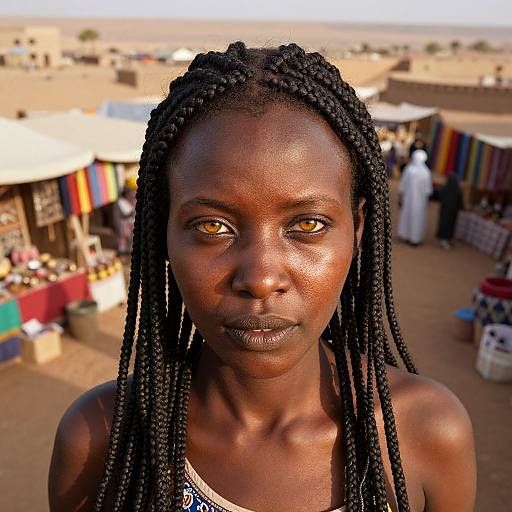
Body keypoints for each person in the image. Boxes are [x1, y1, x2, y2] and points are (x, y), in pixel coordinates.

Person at [48, 43, 475, 512]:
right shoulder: (103, 439)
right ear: (162, 232)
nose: (261, 278)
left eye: (307, 224)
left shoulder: (426, 433)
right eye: (213, 227)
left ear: (357, 229)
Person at [397, 150, 433, 246]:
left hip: (408, 200)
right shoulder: (426, 172)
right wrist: (428, 201)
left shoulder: (409, 170)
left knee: (407, 216)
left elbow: (402, 186)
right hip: (420, 202)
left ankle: (406, 235)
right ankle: (415, 239)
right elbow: (428, 190)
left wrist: (400, 198)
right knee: (418, 218)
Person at [436, 174, 464, 249]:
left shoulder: (445, 188)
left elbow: (439, 196)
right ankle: (446, 240)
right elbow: (460, 202)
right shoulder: (458, 190)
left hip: (445, 210)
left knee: (445, 225)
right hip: (453, 211)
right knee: (450, 225)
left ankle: (445, 240)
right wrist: (461, 208)